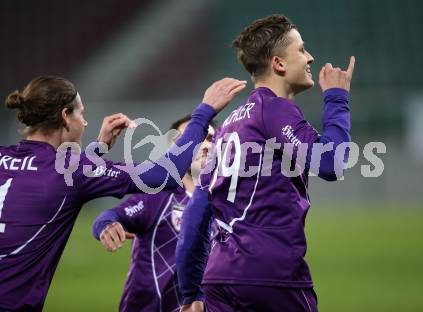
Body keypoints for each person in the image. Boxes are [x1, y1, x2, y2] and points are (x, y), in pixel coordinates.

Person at [0, 75, 246, 311]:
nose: (84, 123)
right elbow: (164, 175)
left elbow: (51, 178)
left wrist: (97, 150)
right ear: (66, 116)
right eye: (81, 114)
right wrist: (204, 111)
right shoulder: (75, 170)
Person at [176, 14, 355, 312]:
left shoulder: (227, 128)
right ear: (278, 64)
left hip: (219, 280)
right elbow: (331, 164)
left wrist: (190, 292)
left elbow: (197, 211)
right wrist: (337, 98)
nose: (309, 57)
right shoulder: (273, 110)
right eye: (301, 49)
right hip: (270, 277)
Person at [92, 115, 215, 312]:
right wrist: (106, 225)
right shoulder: (159, 196)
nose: (206, 145)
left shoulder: (228, 204)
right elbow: (112, 216)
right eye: (195, 139)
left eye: (210, 139)